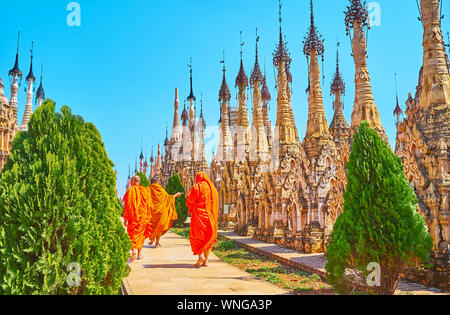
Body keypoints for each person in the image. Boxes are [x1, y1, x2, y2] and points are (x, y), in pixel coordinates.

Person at [186, 172, 218, 268]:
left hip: (199, 216)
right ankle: (206, 261)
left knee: (197, 237)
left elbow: (189, 199)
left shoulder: (196, 187)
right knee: (208, 238)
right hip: (210, 218)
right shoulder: (212, 189)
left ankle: (200, 256)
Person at [146, 175, 182, 247]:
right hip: (160, 211)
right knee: (159, 226)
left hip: (151, 212)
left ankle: (153, 239)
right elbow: (168, 198)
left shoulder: (148, 189)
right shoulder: (159, 188)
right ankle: (156, 242)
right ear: (157, 182)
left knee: (153, 227)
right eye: (159, 181)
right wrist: (176, 195)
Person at [123, 175, 151, 261]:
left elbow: (127, 205)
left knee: (133, 235)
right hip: (143, 217)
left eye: (131, 181)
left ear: (133, 181)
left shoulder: (130, 190)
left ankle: (133, 251)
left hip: (133, 217)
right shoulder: (145, 191)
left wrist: (126, 219)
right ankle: (139, 255)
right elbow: (148, 205)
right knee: (140, 236)